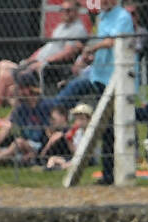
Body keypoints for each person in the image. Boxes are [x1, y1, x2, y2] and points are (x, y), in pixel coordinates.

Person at [49, 0, 136, 184]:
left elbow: (113, 41)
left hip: (116, 78)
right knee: (106, 129)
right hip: (100, 76)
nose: (99, 3)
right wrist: (90, 57)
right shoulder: (102, 17)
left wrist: (93, 47)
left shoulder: (122, 17)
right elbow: (102, 42)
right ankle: (109, 173)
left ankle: (115, 172)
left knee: (114, 127)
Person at [0, 0, 88, 122]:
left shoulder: (77, 29)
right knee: (3, 65)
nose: (65, 13)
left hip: (45, 70)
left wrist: (44, 62)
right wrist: (31, 59)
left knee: (4, 77)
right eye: (63, 10)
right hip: (34, 65)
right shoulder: (61, 27)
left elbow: (67, 53)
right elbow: (48, 47)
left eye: (69, 10)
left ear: (76, 11)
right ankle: (6, 99)